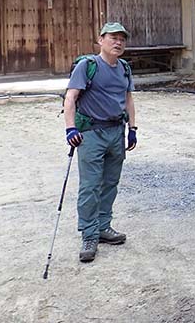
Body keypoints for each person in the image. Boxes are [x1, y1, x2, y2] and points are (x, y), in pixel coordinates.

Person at [64, 22, 137, 263]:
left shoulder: (124, 68)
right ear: (100, 40)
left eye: (122, 39)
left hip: (116, 132)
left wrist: (132, 129)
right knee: (90, 185)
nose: (118, 42)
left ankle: (104, 227)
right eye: (113, 38)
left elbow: (128, 99)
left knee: (110, 183)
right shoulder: (88, 66)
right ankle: (89, 233)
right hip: (91, 134)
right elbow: (71, 97)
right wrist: (70, 128)